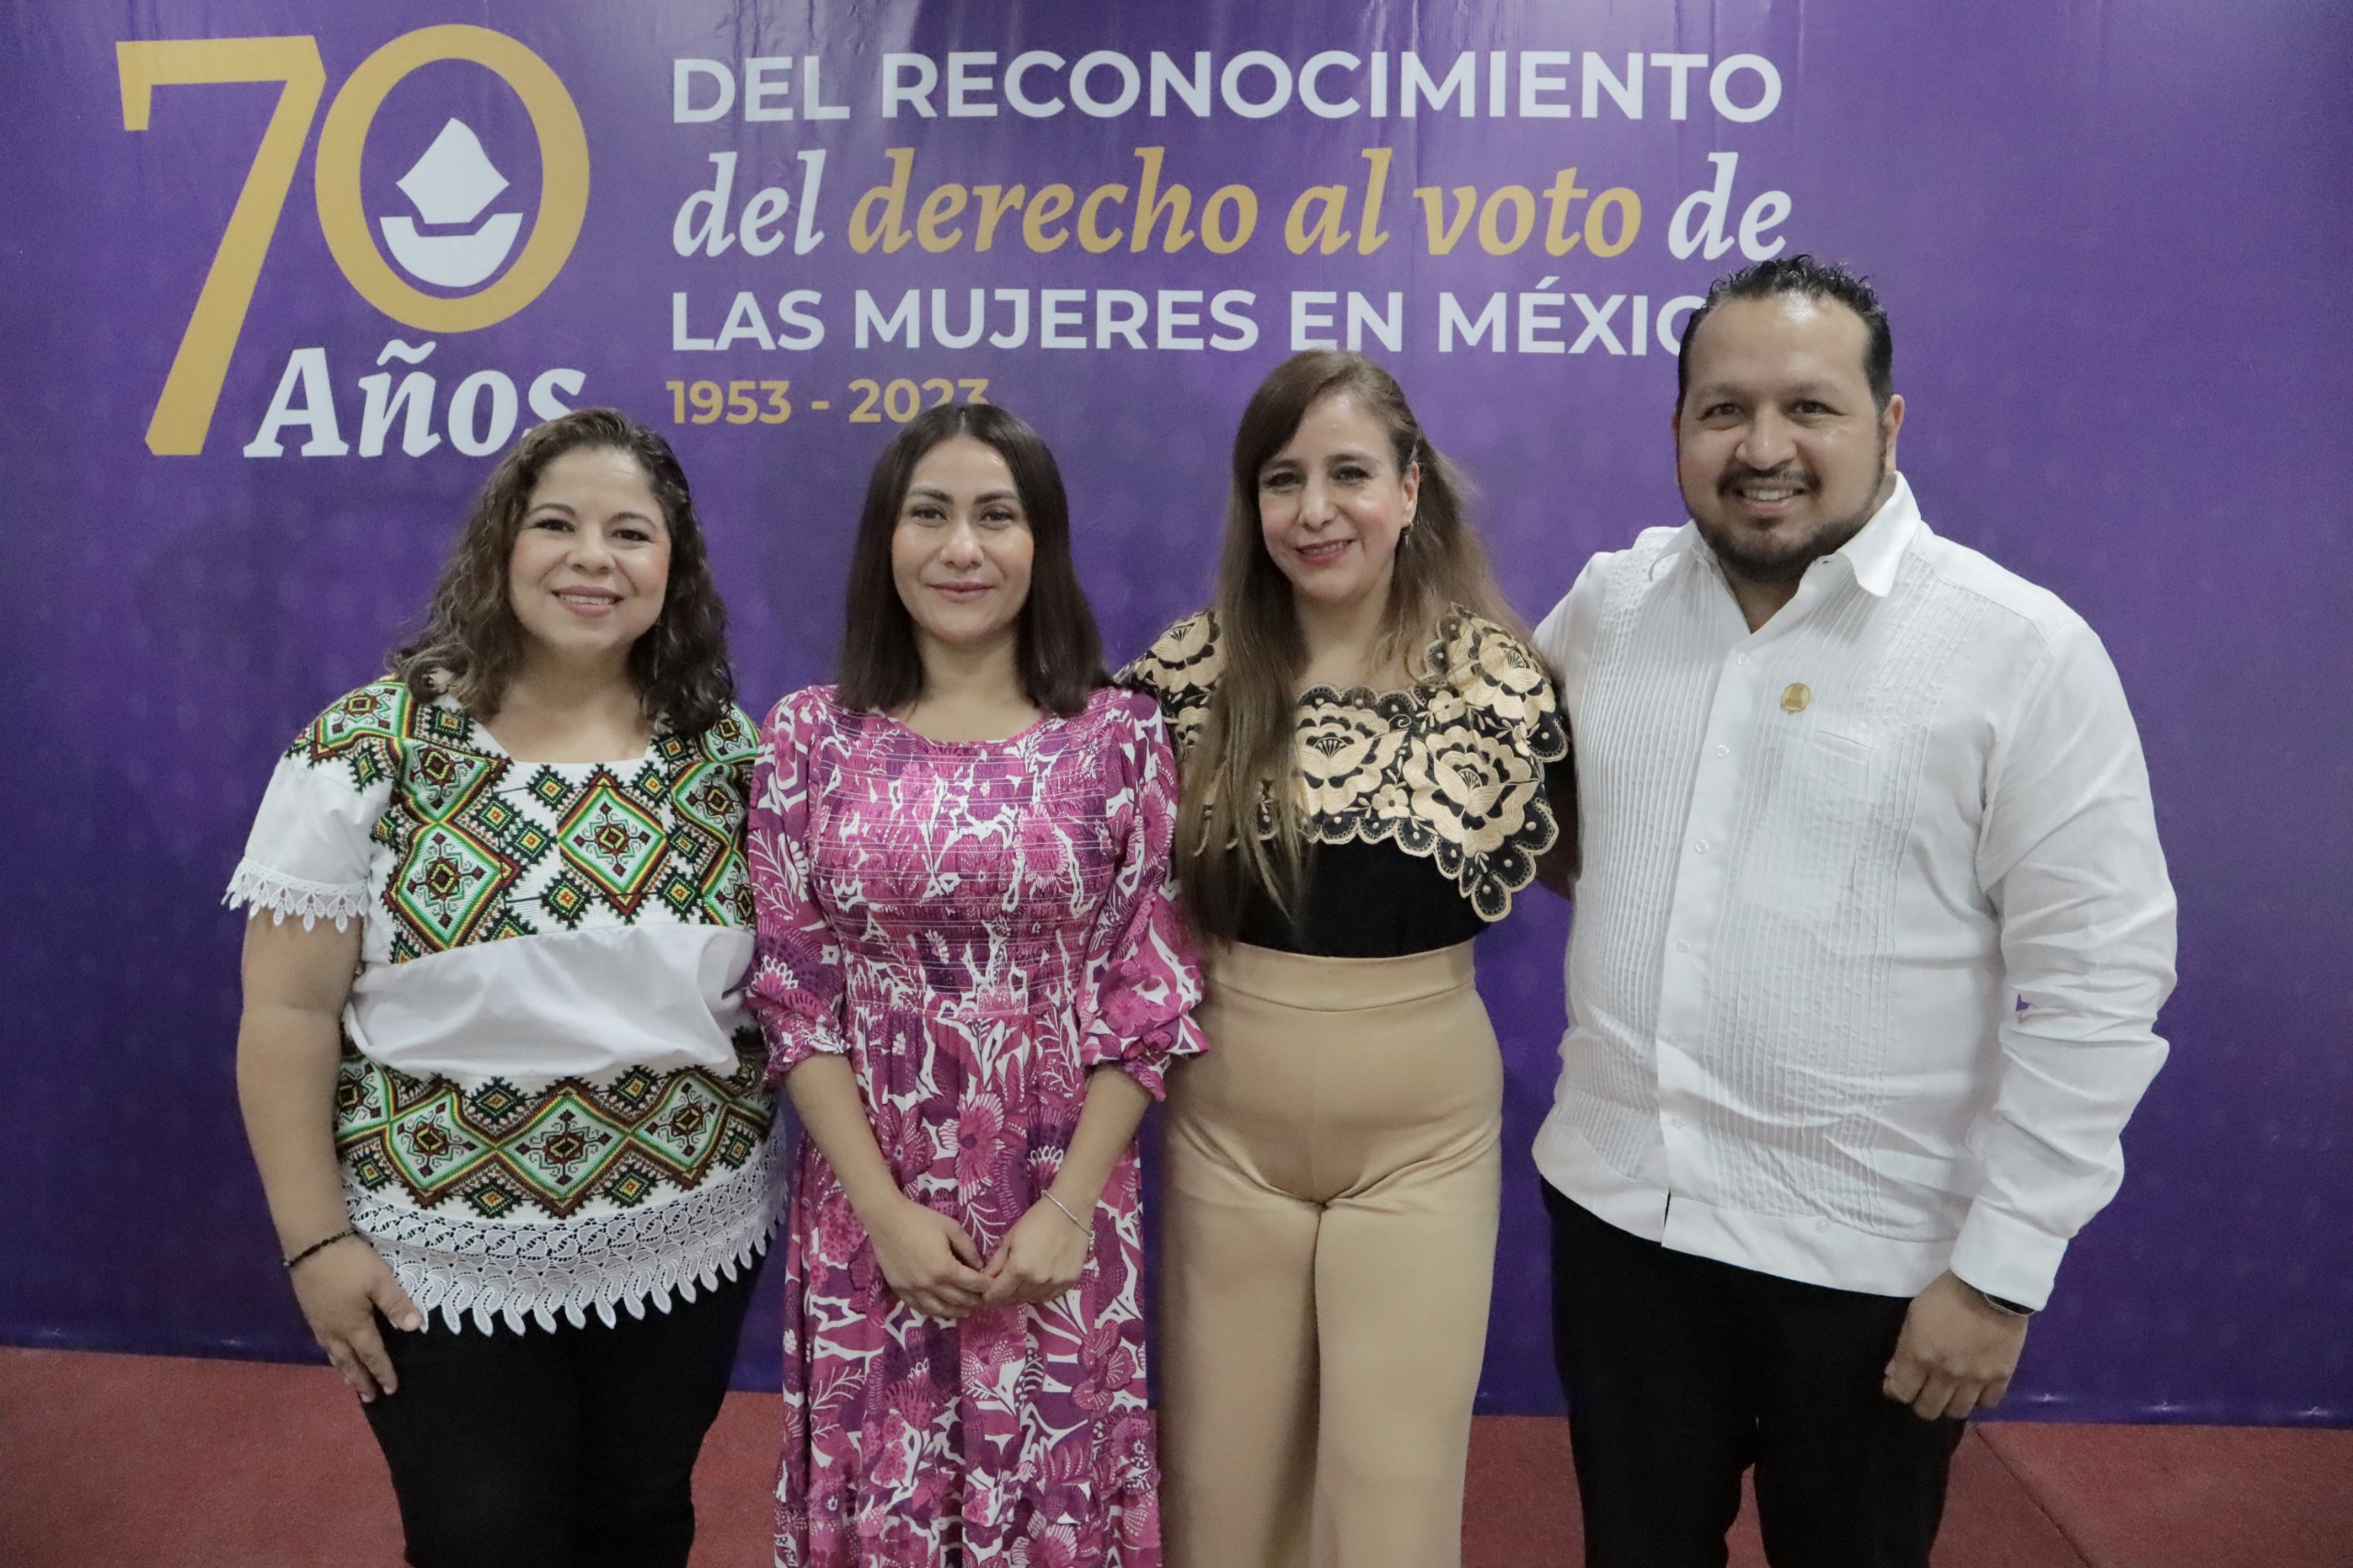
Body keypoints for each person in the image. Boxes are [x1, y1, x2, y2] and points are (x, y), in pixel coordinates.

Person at [1530, 255, 2178, 1568]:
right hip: (1624, 1225)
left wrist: (1999, 1272)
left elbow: (2101, 978)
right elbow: (1513, 808)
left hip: (1875, 1269)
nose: (1763, 447)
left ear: (1887, 422)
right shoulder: (1610, 606)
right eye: (1723, 409)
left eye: (1809, 408)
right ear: (1677, 427)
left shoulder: (2019, 651)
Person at [227, 408, 780, 1568]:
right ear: (501, 545)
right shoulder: (370, 746)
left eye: (631, 532)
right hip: (439, 1254)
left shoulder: (725, 752)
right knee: (483, 1537)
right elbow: (286, 1013)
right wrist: (314, 1243)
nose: (593, 558)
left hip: (688, 1233)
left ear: (673, 567)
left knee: (638, 1516)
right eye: (557, 524)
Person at [1121, 350, 1569, 1568]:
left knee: (1392, 1491)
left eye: (1350, 473)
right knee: (1223, 1483)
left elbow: (1606, 860)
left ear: (1410, 487)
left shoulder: (1498, 680)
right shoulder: (1187, 675)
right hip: (1224, 1127)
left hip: (1422, 1138)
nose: (1316, 510)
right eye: (1283, 479)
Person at [746, 403, 1204, 1568]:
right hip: (871, 1212)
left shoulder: (1118, 737)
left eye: (996, 516)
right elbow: (793, 996)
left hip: (1060, 1211)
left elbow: (1148, 991)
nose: (962, 548)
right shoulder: (808, 737)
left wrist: (1068, 1210)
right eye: (930, 514)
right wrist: (883, 1213)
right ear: (884, 539)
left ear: (1041, 542)